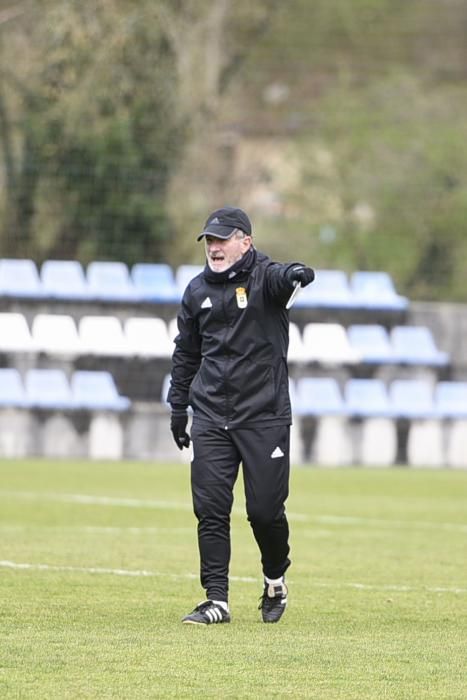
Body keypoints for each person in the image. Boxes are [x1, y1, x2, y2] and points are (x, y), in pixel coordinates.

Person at [167, 206, 314, 625]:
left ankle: (274, 579)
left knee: (265, 512)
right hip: (212, 415)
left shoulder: (265, 279)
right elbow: (186, 353)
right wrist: (179, 406)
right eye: (209, 240)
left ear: (245, 242)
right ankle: (216, 599)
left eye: (222, 239)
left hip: (263, 416)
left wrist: (297, 273)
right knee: (210, 508)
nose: (214, 247)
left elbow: (283, 278)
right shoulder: (197, 292)